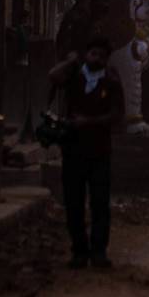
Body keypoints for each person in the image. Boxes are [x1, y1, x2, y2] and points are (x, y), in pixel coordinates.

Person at [50, 37, 123, 269]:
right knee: (74, 203)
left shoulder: (111, 81)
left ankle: (99, 251)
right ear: (86, 54)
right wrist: (70, 61)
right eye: (93, 54)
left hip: (100, 150)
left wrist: (88, 122)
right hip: (72, 149)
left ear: (106, 59)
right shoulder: (74, 76)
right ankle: (79, 251)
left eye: (101, 55)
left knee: (100, 203)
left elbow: (117, 114)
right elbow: (53, 76)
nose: (96, 59)